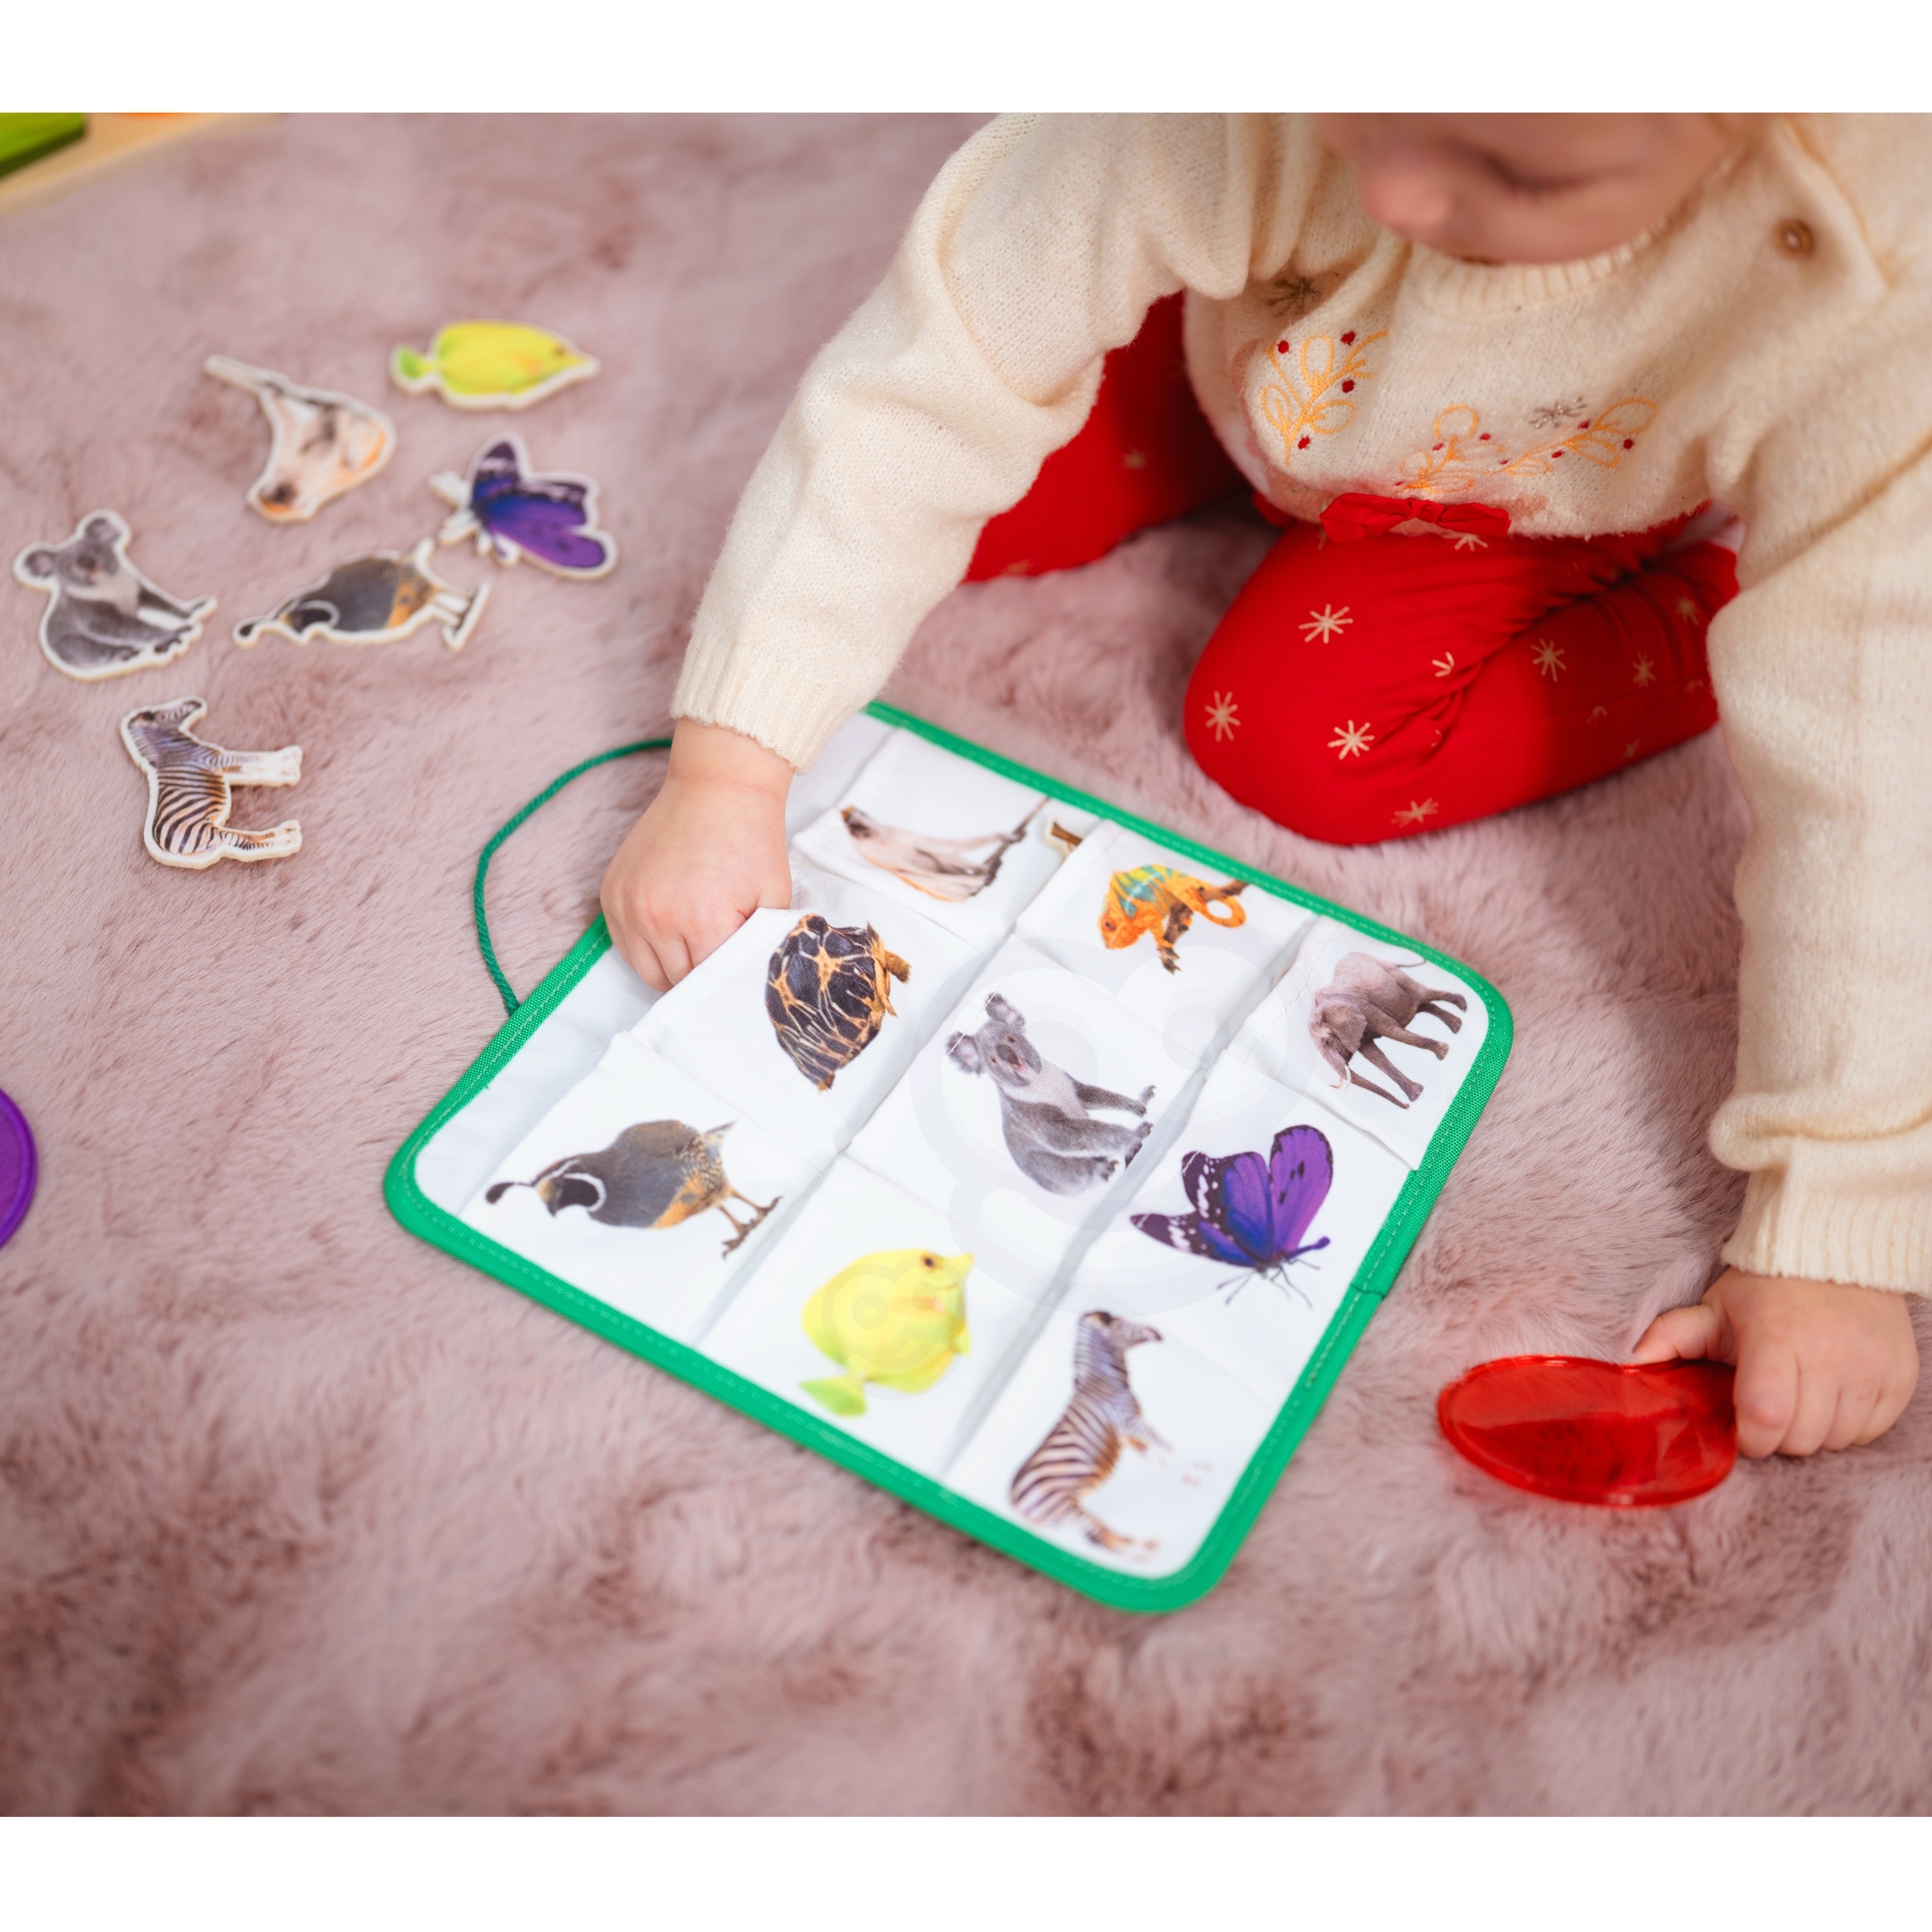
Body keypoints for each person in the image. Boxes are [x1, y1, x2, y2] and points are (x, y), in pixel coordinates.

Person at [602, 114, 1931, 1460]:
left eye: (1514, 175)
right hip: (1272, 369)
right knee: (942, 503)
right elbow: (933, 377)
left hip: (1536, 494)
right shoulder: (1246, 98)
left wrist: (1836, 1219)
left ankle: (1723, 601)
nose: (1396, 194)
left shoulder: (1869, 296)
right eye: (1363, 104)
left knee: (1296, 735)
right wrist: (730, 763)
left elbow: (1875, 775)